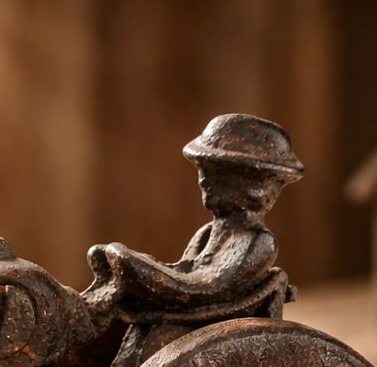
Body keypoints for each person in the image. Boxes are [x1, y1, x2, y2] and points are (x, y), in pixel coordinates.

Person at [83, 114, 304, 313]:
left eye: (216, 174)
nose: (203, 181)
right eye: (203, 172)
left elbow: (208, 288)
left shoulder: (260, 242)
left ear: (254, 186)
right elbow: (186, 268)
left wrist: (137, 266)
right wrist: (144, 265)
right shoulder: (207, 233)